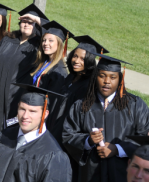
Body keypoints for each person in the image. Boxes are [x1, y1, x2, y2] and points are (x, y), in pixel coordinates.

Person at [63, 54, 149, 182]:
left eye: (112, 77)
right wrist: (88, 140)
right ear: (95, 77)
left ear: (120, 79)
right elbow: (68, 135)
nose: (107, 81)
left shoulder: (136, 105)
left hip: (122, 175)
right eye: (102, 76)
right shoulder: (81, 105)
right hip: (90, 174)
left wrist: (118, 149)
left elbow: (144, 140)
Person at [0, 4, 49, 144]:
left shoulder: (38, 45)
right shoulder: (8, 39)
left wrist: (35, 18)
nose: (26, 24)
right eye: (24, 21)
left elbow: (53, 33)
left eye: (30, 22)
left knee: (9, 129)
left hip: (16, 97)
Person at [0, 83, 72, 182]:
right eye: (22, 109)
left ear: (45, 114)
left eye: (32, 111)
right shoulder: (2, 137)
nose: (25, 116)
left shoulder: (53, 155)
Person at [47, 35, 108, 144]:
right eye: (75, 56)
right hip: (54, 122)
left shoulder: (88, 85)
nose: (76, 61)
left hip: (66, 130)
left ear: (89, 61)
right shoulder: (71, 76)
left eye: (82, 59)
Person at [31, 20, 73, 112]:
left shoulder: (59, 70)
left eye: (51, 41)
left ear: (59, 44)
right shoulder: (44, 62)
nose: (45, 43)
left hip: (42, 113)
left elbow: (52, 101)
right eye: (44, 40)